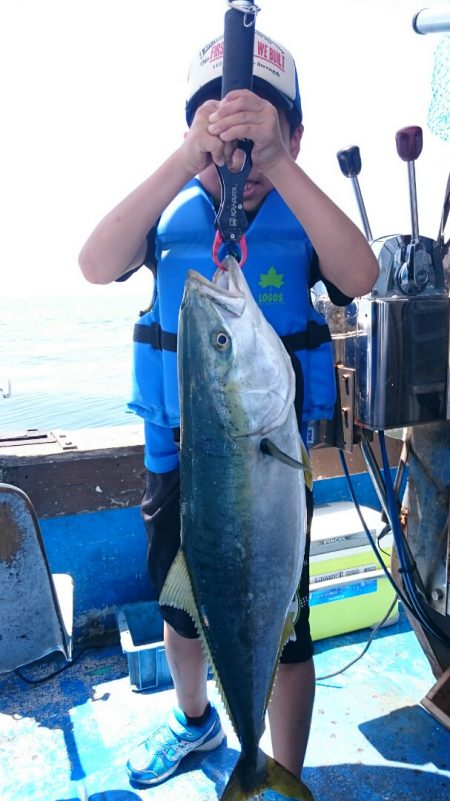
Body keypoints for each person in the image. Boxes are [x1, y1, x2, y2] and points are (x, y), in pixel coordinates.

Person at [79, 29, 379, 788]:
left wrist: (278, 163)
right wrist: (187, 161)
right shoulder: (173, 212)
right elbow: (94, 262)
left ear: (294, 135)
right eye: (221, 136)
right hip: (177, 465)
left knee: (288, 632)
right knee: (181, 613)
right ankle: (195, 720)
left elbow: (362, 272)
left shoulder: (302, 219)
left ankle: (277, 768)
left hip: (266, 475)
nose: (237, 161)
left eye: (260, 135)